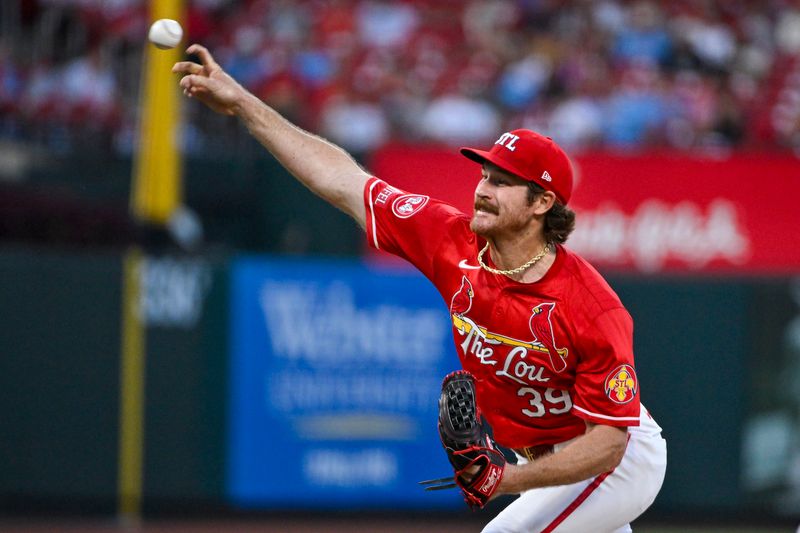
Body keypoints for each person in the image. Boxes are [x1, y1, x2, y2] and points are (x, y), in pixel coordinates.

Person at [173, 44, 667, 533]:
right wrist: (243, 103)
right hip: (552, 464)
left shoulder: (591, 306)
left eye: (502, 182)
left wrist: (507, 480)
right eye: (484, 174)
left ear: (541, 204)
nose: (483, 189)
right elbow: (342, 179)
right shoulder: (450, 240)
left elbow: (609, 443)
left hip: (612, 462)